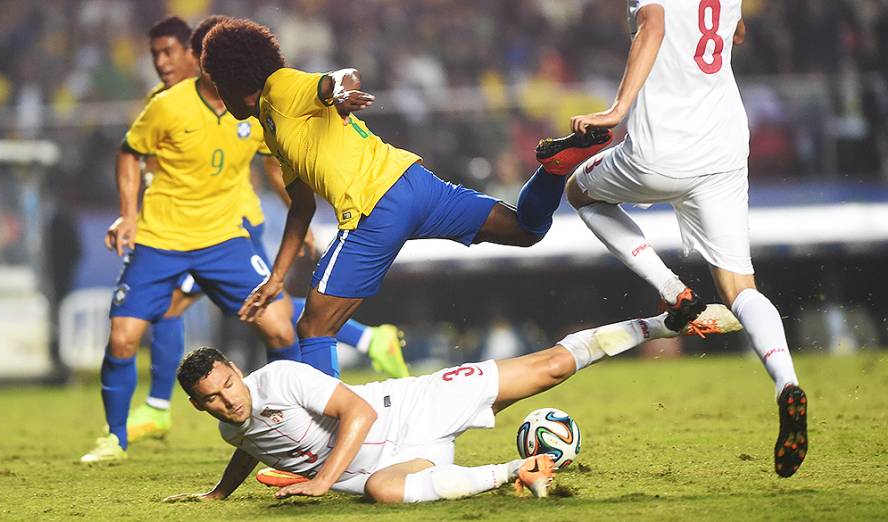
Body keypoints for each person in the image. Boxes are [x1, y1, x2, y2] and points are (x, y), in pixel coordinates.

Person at [198, 18, 614, 379]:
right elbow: (302, 206)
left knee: (314, 329)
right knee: (525, 229)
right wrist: (276, 278)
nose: (217, 93)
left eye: (217, 84)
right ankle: (555, 167)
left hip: (373, 208)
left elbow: (343, 77)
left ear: (233, 80)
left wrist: (341, 92)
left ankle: (319, 451)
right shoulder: (274, 128)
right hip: (415, 185)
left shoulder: (280, 88)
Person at [125, 16, 410, 448]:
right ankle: (369, 339)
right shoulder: (162, 101)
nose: (163, 64)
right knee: (253, 306)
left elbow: (277, 162)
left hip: (230, 225)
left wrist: (299, 213)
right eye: (156, 56)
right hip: (185, 227)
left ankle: (160, 408)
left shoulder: (235, 100)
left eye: (172, 54)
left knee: (247, 307)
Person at [560, 1, 807, 477]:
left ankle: (673, 289)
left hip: (660, 151)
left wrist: (618, 108)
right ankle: (787, 383)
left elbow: (652, 25)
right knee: (740, 288)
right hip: (724, 147)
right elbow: (732, 34)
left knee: (581, 192)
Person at [164, 308, 739, 504]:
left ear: (237, 372)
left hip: (414, 405)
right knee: (385, 493)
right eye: (210, 400)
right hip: (392, 464)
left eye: (226, 386)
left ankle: (664, 321)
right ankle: (518, 470)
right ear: (198, 406)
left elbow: (357, 415)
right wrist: (219, 493)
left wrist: (318, 484)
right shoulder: (231, 430)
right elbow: (248, 446)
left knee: (551, 368)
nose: (226, 401)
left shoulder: (282, 377)